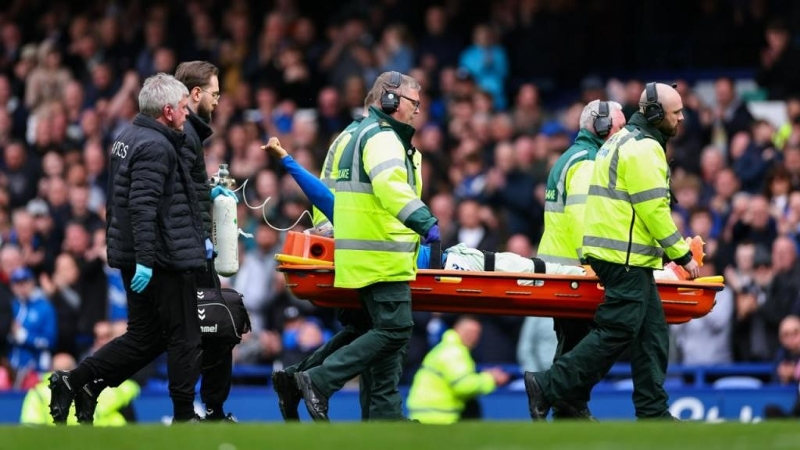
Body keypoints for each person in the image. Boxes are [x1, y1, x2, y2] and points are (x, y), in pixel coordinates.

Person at [523, 82, 700, 421]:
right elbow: (653, 209)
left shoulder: (621, 142)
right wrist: (682, 254)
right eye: (676, 112)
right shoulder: (644, 148)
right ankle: (548, 386)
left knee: (651, 332)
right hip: (624, 256)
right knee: (617, 330)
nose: (681, 118)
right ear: (657, 114)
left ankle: (653, 411)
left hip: (621, 254)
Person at [49, 73, 206, 424]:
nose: (186, 114)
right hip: (160, 257)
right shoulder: (155, 145)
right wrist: (147, 261)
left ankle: (76, 382)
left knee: (145, 337)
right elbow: (142, 205)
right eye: (183, 108)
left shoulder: (127, 137)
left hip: (136, 254)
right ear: (167, 111)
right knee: (185, 335)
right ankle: (184, 416)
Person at [292, 71, 438, 422]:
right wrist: (425, 221)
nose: (417, 111)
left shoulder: (347, 136)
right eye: (412, 103)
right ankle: (319, 380)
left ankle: (383, 419)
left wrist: (328, 229)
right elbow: (390, 186)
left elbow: (323, 190)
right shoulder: (383, 137)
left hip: (355, 253)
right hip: (382, 254)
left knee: (380, 338)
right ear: (389, 100)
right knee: (395, 330)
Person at [267, 92, 379, 423]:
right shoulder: (355, 165)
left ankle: (294, 378)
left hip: (339, 265)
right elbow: (334, 205)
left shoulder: (340, 163)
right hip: (354, 265)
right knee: (384, 332)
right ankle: (314, 381)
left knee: (361, 331)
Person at [535, 99, 626, 419]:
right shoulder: (589, 161)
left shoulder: (572, 157)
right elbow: (583, 220)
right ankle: (557, 397)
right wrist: (596, 265)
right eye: (619, 125)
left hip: (563, 268)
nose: (624, 132)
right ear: (600, 126)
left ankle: (568, 409)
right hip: (575, 271)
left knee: (574, 343)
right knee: (588, 343)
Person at [174, 60, 238, 422]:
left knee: (209, 328)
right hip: (191, 253)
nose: (218, 101)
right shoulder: (185, 135)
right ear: (196, 94)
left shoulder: (190, 134)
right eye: (214, 93)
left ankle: (201, 409)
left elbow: (188, 191)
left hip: (194, 249)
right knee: (215, 326)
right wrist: (201, 240)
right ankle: (203, 409)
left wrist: (207, 191)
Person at [406, 315, 509, 424]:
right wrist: (491, 378)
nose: (472, 336)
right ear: (457, 329)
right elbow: (463, 385)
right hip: (437, 414)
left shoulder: (446, 347)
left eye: (476, 333)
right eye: (468, 331)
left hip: (426, 412)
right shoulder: (454, 351)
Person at [21, 352, 140, 426]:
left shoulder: (37, 393)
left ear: (51, 371)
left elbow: (31, 427)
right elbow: (130, 388)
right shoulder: (95, 387)